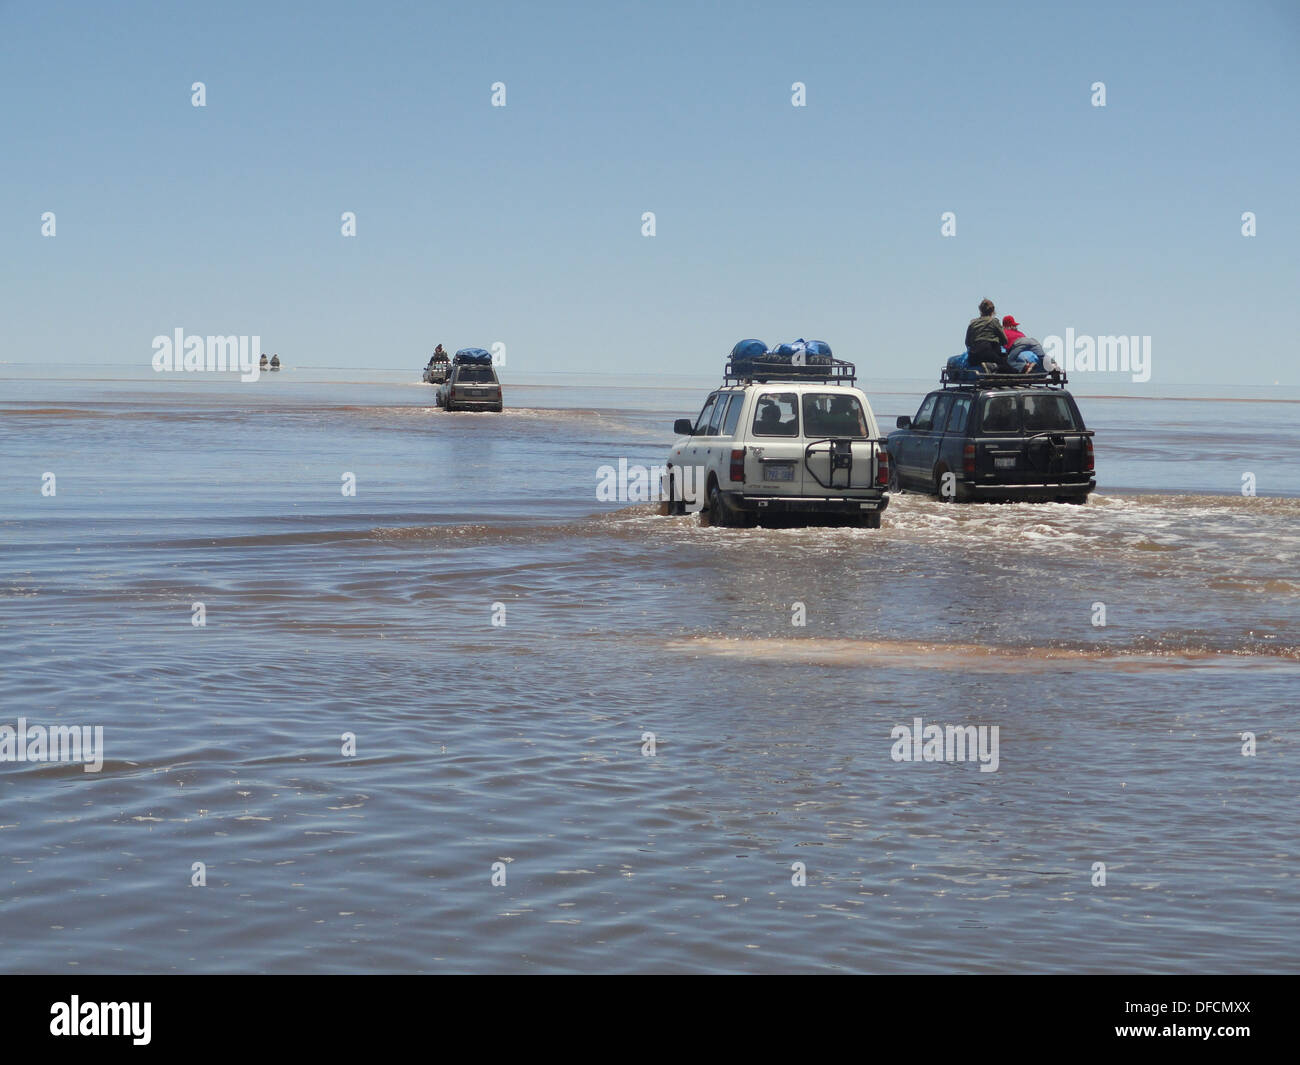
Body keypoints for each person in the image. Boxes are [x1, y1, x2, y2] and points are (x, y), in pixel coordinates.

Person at [964, 299, 1009, 371]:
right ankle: (991, 366)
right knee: (1008, 368)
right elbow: (1005, 341)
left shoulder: (972, 323)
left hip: (973, 358)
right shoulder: (994, 321)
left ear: (980, 310)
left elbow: (967, 343)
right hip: (989, 355)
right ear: (993, 310)